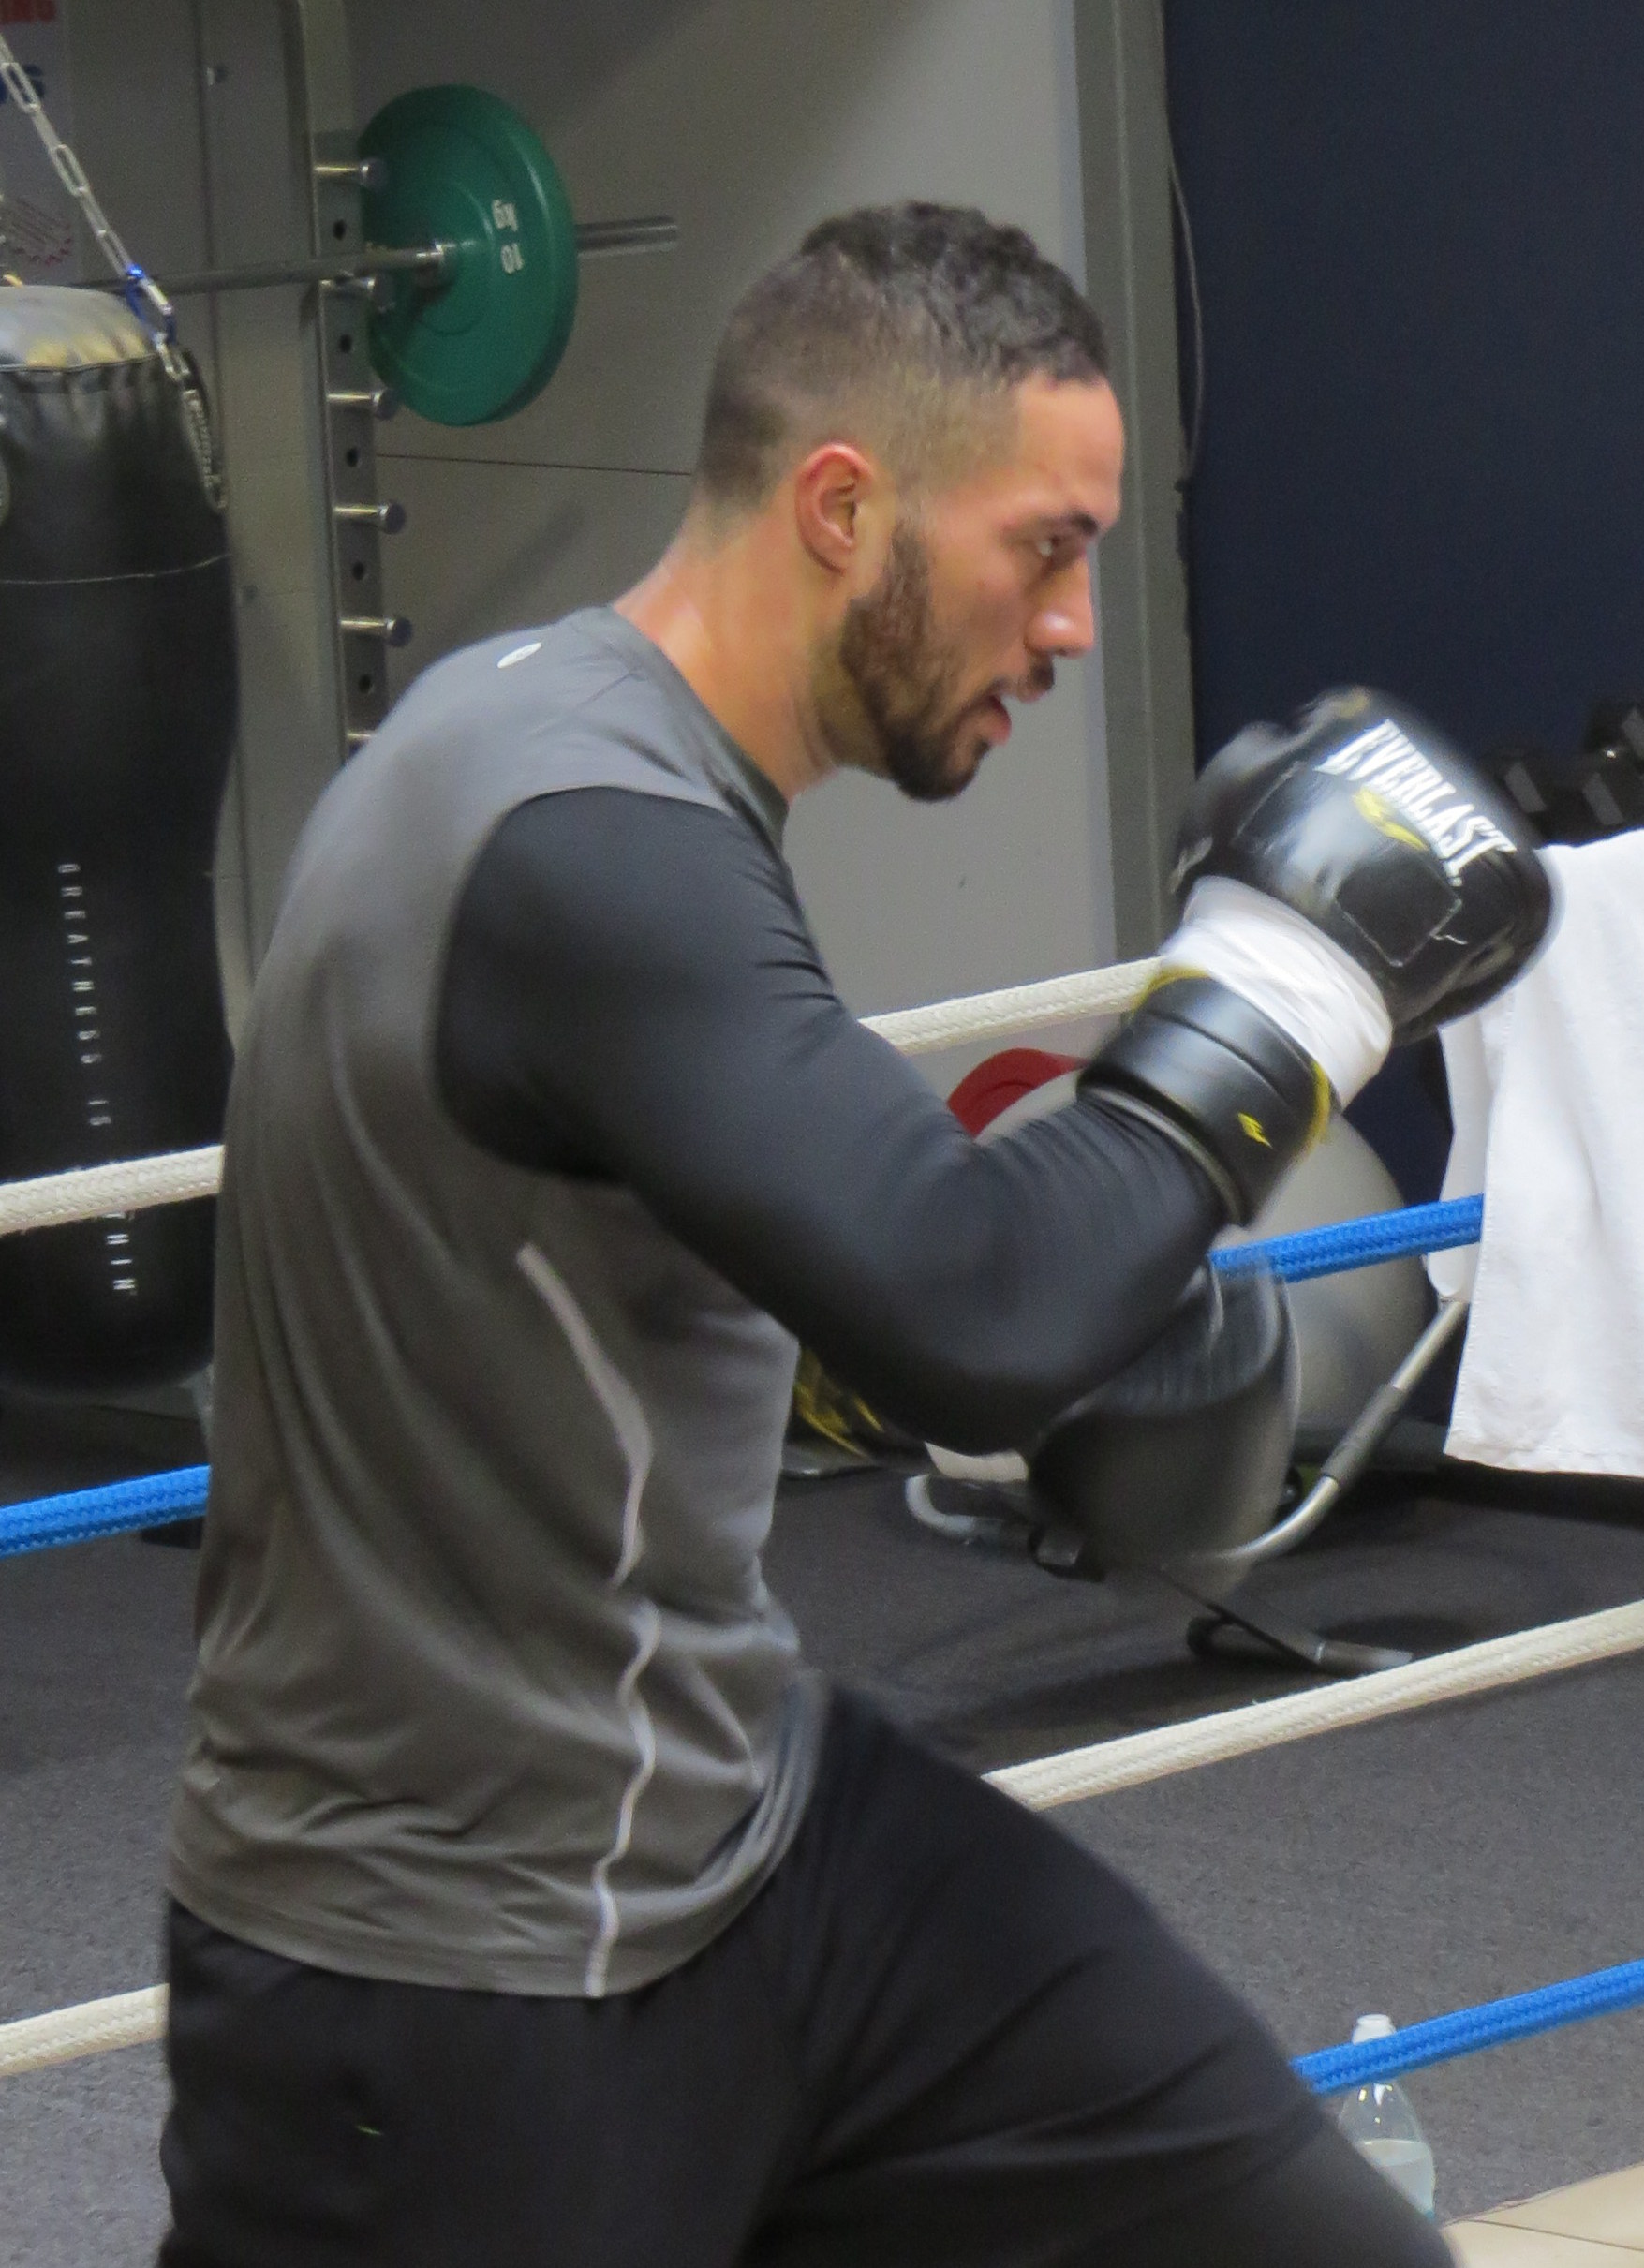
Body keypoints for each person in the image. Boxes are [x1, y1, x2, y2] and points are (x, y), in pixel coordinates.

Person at [156, 201, 1548, 2266]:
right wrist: (1293, 980)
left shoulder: (564, 738)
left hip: (739, 1831)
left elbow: (939, 1238)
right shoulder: (585, 854)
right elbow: (972, 1318)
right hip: (449, 1963)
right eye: (1043, 546)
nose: (1072, 625)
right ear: (840, 507)